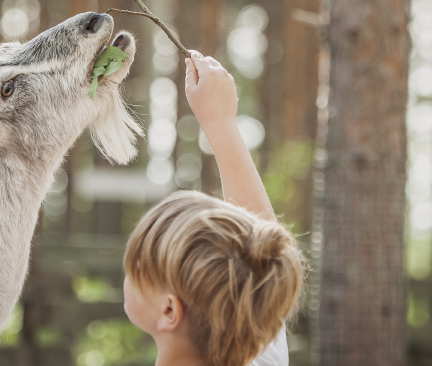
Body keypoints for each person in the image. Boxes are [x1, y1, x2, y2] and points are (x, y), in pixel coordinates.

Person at [122, 51, 305, 366]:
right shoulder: (253, 347)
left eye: (138, 265)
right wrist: (220, 122)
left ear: (170, 310)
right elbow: (255, 249)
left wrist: (220, 121)